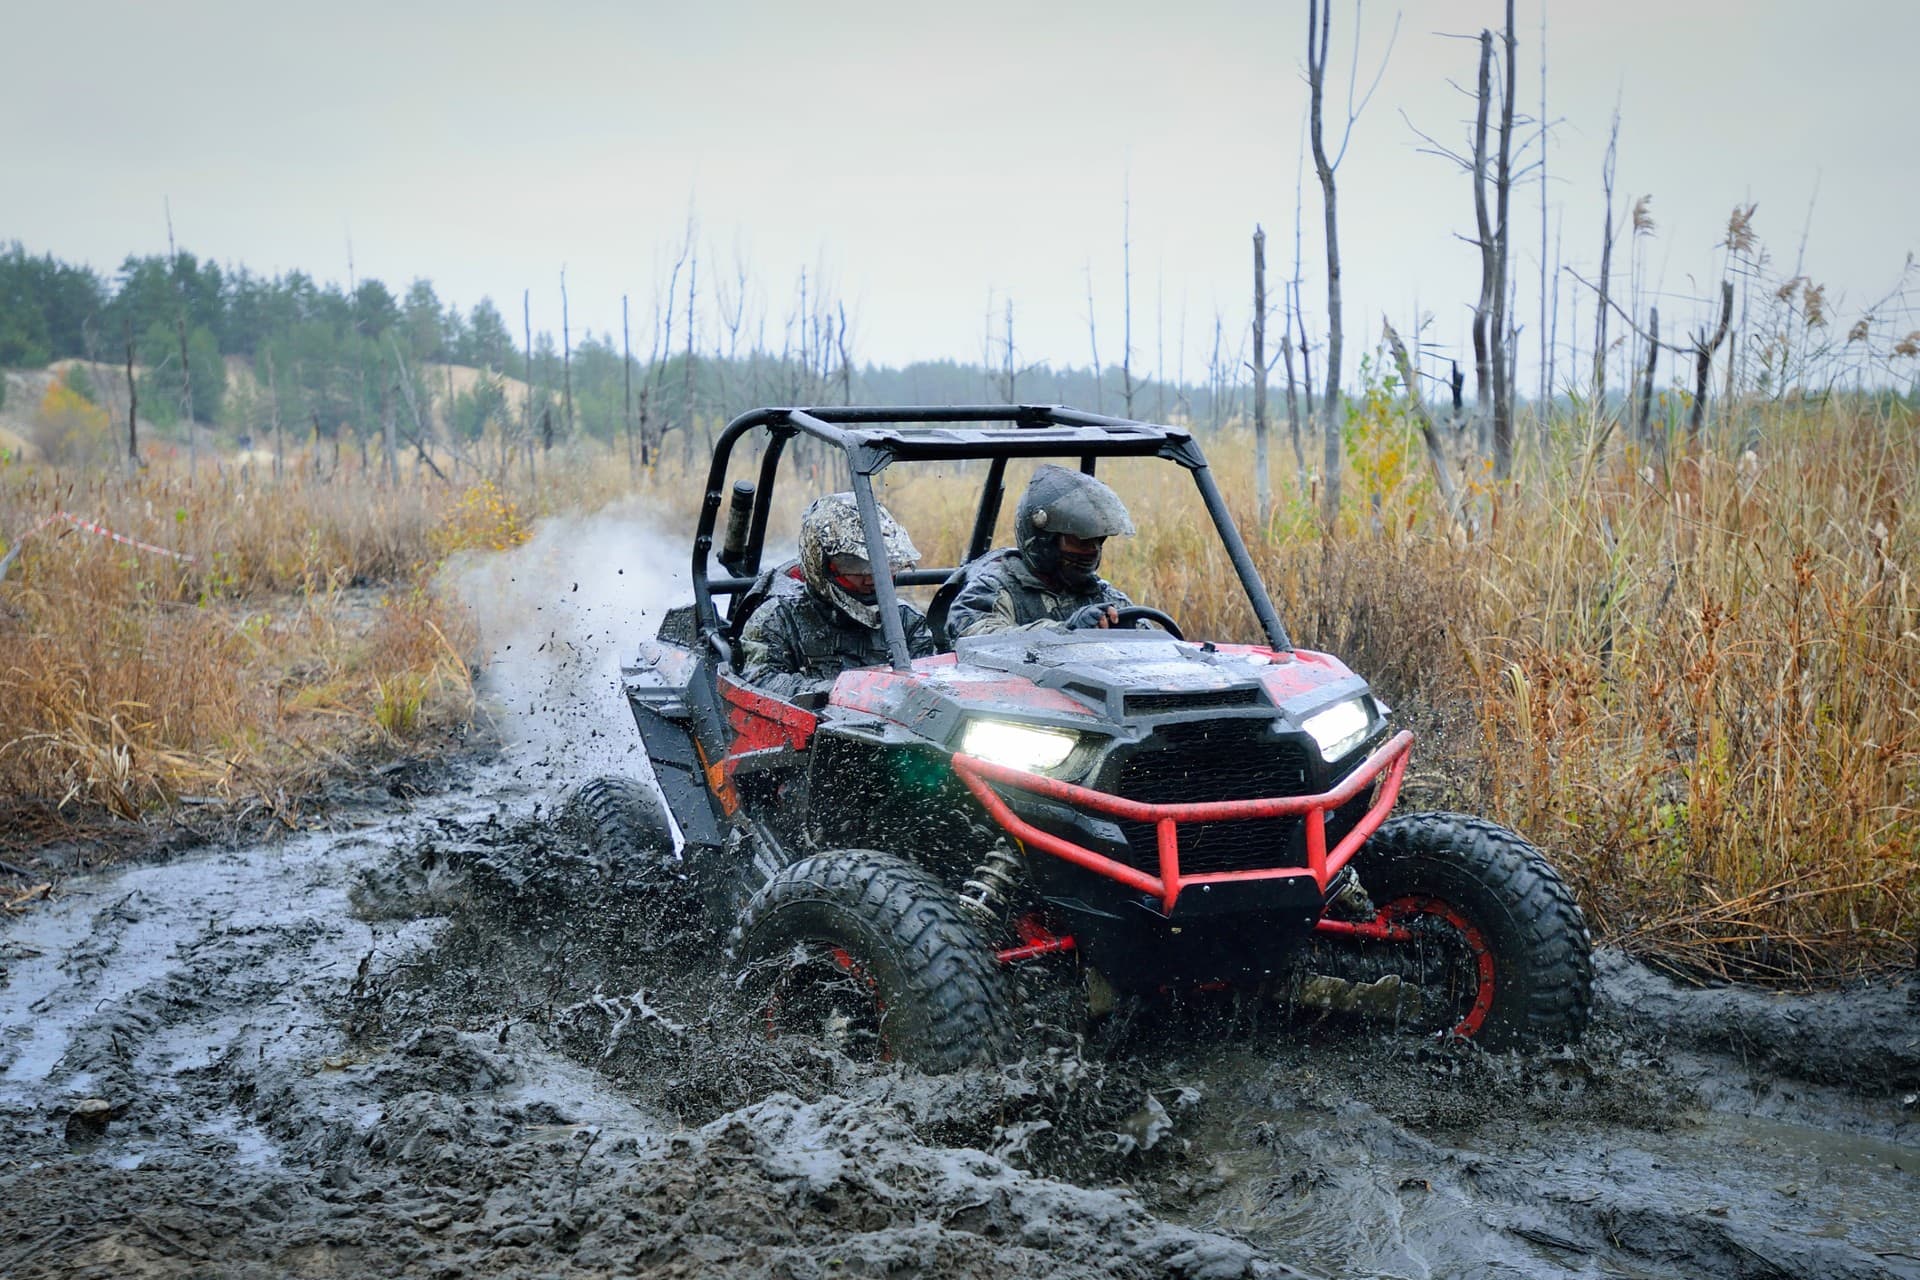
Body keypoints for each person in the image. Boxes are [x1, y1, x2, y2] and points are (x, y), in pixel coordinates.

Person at [738, 492, 935, 701]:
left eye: (880, 565)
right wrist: (840, 691)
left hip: (890, 728)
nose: (870, 579)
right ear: (820, 564)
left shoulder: (906, 620)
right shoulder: (777, 619)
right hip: (807, 728)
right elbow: (760, 683)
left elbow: (930, 684)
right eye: (855, 566)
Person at [946, 463, 1136, 638]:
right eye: (1081, 541)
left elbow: (1155, 645)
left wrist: (1129, 633)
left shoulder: (1102, 593)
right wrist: (1065, 631)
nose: (1093, 551)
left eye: (1098, 541)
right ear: (1044, 542)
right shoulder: (990, 590)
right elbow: (977, 637)